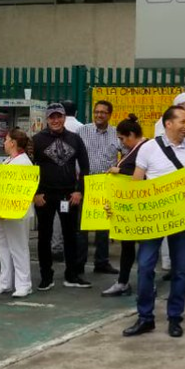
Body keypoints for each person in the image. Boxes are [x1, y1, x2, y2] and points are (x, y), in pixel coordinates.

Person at [123, 105, 185, 338]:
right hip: (153, 218)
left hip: (181, 217)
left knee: (179, 271)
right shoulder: (148, 148)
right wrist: (120, 204)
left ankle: (175, 318)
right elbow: (137, 183)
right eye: (183, 121)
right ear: (169, 123)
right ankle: (145, 317)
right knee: (146, 266)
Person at [32, 102, 92, 290]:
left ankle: (72, 275)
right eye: (52, 117)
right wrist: (35, 193)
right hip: (45, 196)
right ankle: (46, 275)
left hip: (69, 195)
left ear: (64, 117)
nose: (56, 120)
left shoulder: (75, 138)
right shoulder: (37, 140)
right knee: (44, 237)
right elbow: (28, 167)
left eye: (59, 116)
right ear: (47, 119)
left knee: (70, 236)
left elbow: (85, 166)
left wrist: (79, 190)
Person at [103, 115, 149, 297]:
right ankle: (123, 281)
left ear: (131, 135)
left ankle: (139, 282)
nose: (122, 143)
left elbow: (144, 174)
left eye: (122, 139)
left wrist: (120, 170)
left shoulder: (145, 149)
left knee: (143, 247)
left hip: (141, 208)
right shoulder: (136, 149)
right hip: (129, 207)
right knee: (128, 245)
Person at [77, 100, 121, 275]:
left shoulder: (116, 133)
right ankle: (79, 263)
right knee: (82, 225)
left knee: (104, 226)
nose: (99, 115)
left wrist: (120, 168)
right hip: (85, 182)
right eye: (96, 112)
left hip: (106, 183)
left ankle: (101, 262)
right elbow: (74, 154)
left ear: (110, 114)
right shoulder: (82, 131)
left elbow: (126, 152)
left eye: (103, 112)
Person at [0, 129, 35, 297]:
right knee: (4, 247)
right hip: (4, 210)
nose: (4, 143)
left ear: (13, 143)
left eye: (6, 140)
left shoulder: (23, 162)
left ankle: (24, 284)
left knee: (18, 247)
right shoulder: (11, 160)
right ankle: (5, 281)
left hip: (17, 211)